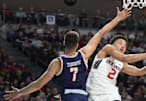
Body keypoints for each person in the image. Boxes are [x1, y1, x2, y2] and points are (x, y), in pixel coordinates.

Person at [4, 8, 132, 101]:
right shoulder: (84, 54)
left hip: (67, 96)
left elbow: (39, 84)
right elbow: (100, 33)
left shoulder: (57, 62)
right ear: (78, 44)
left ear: (64, 42)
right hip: (83, 97)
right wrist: (118, 18)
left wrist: (20, 92)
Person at [87, 34, 146, 101]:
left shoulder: (121, 63)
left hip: (110, 93)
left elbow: (140, 72)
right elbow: (124, 58)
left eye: (125, 45)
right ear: (112, 44)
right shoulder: (107, 48)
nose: (123, 46)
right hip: (95, 90)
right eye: (120, 43)